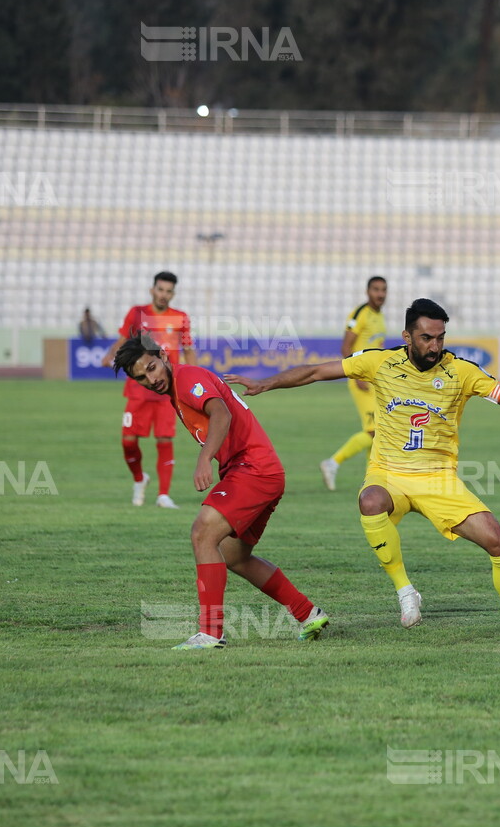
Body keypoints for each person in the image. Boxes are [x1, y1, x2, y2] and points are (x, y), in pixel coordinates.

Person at [226, 298, 500, 645]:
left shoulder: (462, 371)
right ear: (407, 336)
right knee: (370, 500)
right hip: (389, 474)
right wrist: (266, 383)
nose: (435, 346)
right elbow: (317, 371)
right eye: (426, 337)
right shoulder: (379, 362)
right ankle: (406, 590)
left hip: (439, 480)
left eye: (440, 338)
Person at [112, 333, 329, 649]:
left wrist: (204, 460)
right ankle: (308, 613)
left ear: (162, 355)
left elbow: (221, 413)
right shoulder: (176, 387)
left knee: (202, 533)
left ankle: (211, 632)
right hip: (258, 471)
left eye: (152, 367)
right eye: (142, 377)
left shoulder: (187, 377)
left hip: (252, 469)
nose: (151, 379)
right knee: (234, 556)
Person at [101, 272, 195, 509]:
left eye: (168, 291)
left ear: (173, 294)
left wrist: (194, 375)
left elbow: (188, 348)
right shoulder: (137, 313)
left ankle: (163, 494)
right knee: (128, 441)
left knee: (164, 438)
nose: (164, 295)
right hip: (138, 388)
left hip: (166, 390)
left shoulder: (180, 318)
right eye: (160, 289)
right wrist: (110, 354)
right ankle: (139, 478)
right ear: (152, 290)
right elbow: (123, 339)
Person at [320, 276, 388, 491]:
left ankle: (372, 481)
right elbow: (345, 347)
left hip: (373, 380)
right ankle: (333, 463)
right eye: (376, 289)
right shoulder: (360, 314)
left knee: (378, 432)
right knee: (374, 431)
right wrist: (356, 375)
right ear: (368, 291)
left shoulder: (380, 317)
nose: (380, 294)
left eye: (383, 290)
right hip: (361, 379)